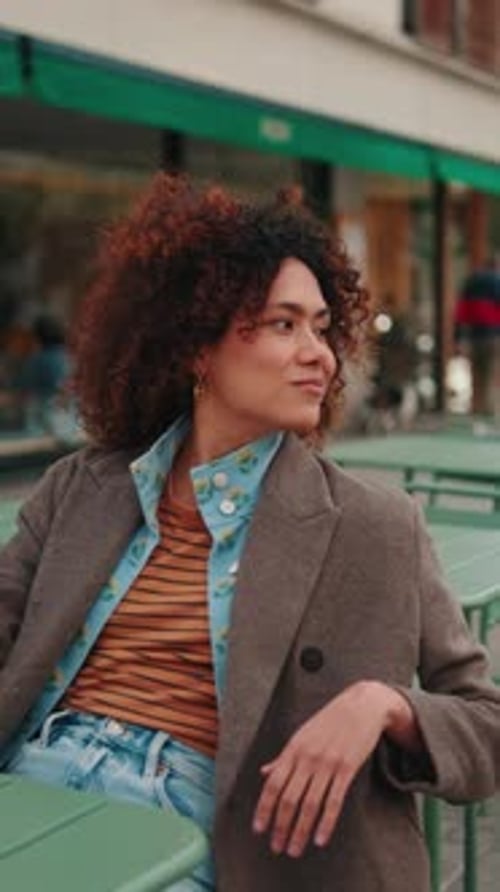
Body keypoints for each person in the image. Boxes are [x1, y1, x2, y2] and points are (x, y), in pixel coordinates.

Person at [0, 174, 499, 892]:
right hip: (35, 782)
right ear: (197, 347)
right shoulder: (84, 487)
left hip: (201, 828)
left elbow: (486, 724)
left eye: (323, 328)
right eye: (283, 324)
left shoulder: (376, 525)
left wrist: (385, 705)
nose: (321, 355)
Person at [454, 256, 500, 416]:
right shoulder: (496, 281)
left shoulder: (471, 282)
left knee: (476, 375)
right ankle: (489, 411)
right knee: (491, 374)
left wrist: (458, 337)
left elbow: (461, 312)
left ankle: (476, 409)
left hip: (474, 335)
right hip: (493, 335)